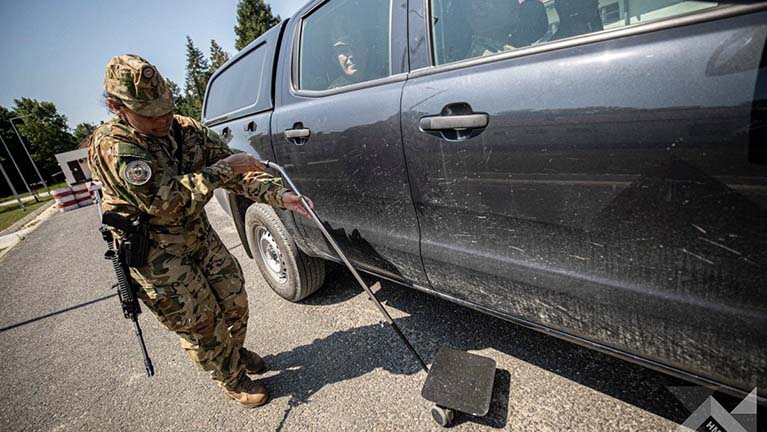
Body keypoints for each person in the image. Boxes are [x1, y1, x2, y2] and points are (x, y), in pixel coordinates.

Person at [88, 54, 313, 408]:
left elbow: (239, 169)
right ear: (118, 107)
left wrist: (279, 195)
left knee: (233, 295)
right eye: (149, 113)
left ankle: (232, 353)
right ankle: (232, 379)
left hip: (196, 233)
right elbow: (166, 201)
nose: (162, 118)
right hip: (155, 251)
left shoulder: (185, 129)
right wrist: (223, 170)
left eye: (164, 106)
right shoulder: (115, 146)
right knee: (199, 320)